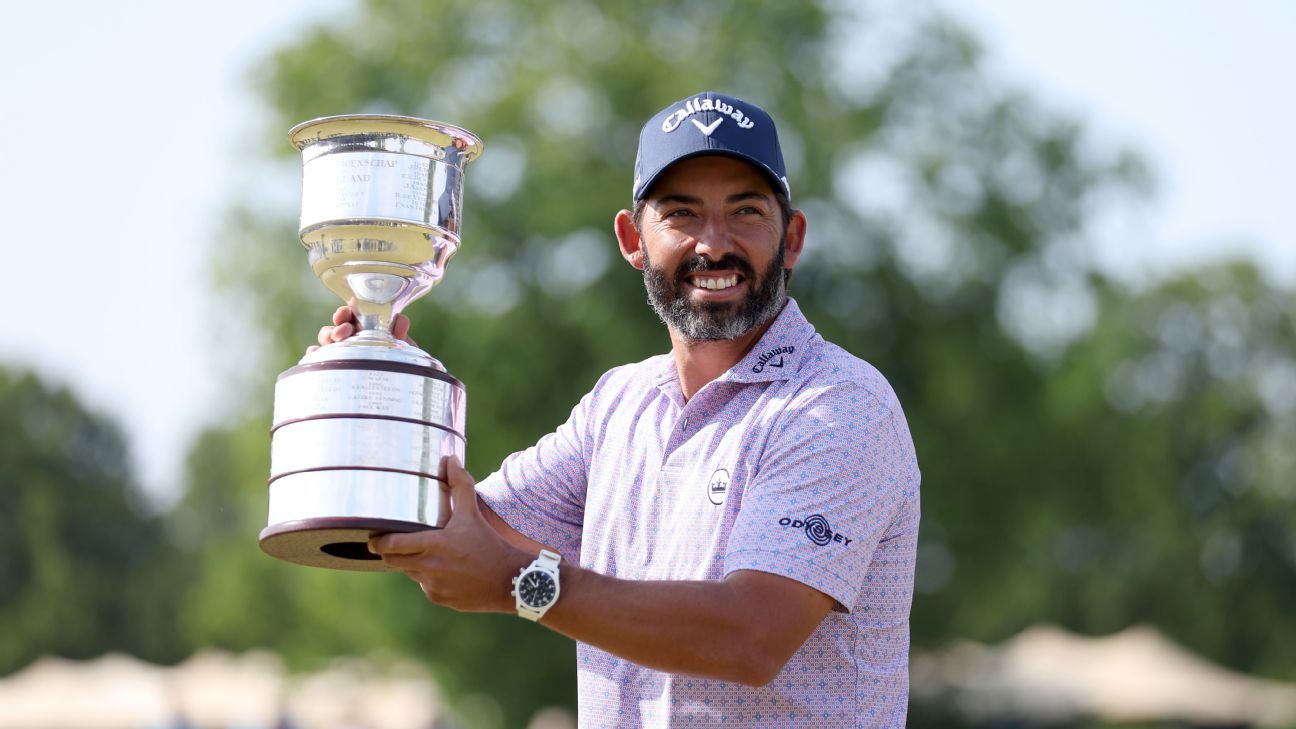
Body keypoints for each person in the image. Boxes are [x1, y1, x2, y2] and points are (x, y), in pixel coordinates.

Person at [318, 91, 921, 727]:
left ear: (792, 237)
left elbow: (751, 636)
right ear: (633, 239)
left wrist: (516, 584)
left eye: (745, 212)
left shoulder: (839, 406)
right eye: (682, 214)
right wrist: (376, 393)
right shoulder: (619, 406)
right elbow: (459, 533)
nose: (713, 245)